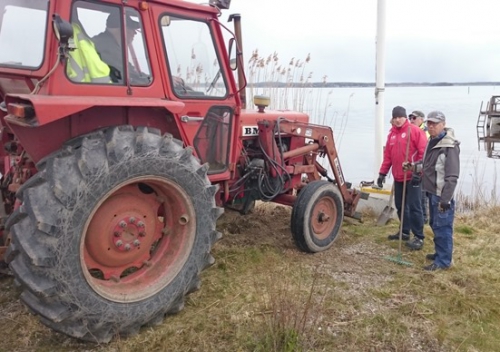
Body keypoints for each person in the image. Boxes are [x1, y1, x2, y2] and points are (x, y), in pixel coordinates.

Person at [404, 111, 460, 271]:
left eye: (434, 123)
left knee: (443, 227)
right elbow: (426, 165)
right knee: (435, 225)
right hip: (431, 192)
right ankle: (439, 253)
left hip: (442, 195)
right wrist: (413, 166)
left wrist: (445, 200)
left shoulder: (450, 146)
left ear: (443, 124)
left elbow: (452, 176)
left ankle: (443, 262)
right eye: (429, 123)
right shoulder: (431, 141)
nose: (431, 126)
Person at [377, 106, 428, 250]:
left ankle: (418, 236)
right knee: (400, 205)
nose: (398, 120)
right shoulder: (391, 135)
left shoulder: (415, 131)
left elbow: (423, 154)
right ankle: (405, 231)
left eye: (400, 117)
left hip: (412, 176)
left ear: (405, 117)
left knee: (414, 207)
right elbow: (388, 156)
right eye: (395, 117)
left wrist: (418, 172)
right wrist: (382, 173)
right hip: (398, 176)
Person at [92, 12, 149, 85]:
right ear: (120, 29)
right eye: (131, 28)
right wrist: (150, 80)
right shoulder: (108, 47)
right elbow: (132, 77)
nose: (135, 33)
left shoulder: (104, 42)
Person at [409, 110, 430, 224]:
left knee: (422, 194)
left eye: (414, 118)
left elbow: (424, 152)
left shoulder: (424, 133)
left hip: (423, 167)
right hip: (414, 166)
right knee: (418, 194)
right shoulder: (411, 131)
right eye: (410, 118)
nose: (411, 120)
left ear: (421, 120)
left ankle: (424, 218)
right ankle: (420, 217)